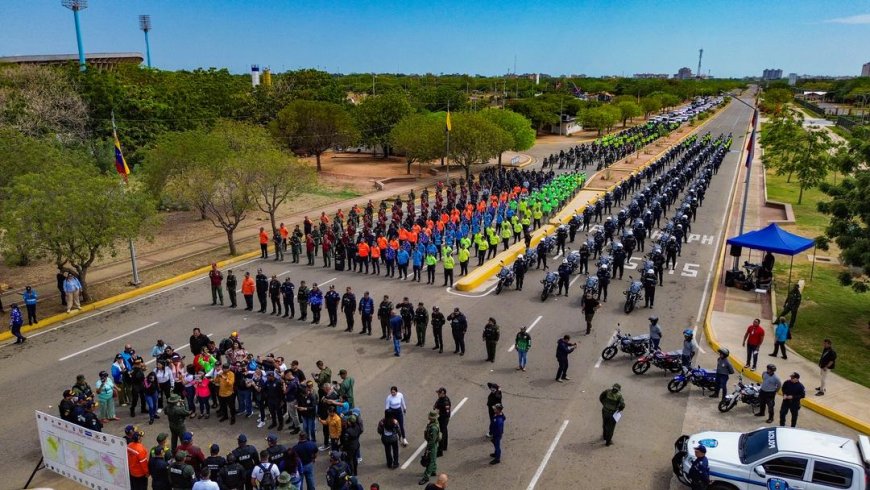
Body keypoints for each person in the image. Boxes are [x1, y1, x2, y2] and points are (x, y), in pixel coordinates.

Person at [419, 411, 441, 485]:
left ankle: (426, 476)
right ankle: (433, 471)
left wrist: (428, 448)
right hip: (434, 444)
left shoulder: (433, 428)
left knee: (430, 460)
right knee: (433, 458)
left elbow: (432, 440)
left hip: (432, 445)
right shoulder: (435, 423)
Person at [432, 387, 451, 456]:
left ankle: (440, 451)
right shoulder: (440, 399)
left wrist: (439, 413)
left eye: (439, 393)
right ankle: (444, 446)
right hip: (440, 418)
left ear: (443, 393)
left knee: (441, 434)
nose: (438, 394)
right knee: (444, 432)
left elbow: (447, 413)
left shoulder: (445, 402)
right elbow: (436, 405)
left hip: (443, 419)